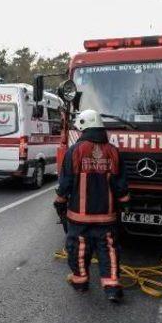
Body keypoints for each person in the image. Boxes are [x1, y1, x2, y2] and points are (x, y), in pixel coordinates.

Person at [54, 109, 129, 303]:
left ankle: (80, 281)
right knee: (109, 249)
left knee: (78, 248)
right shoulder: (113, 152)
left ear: (83, 128)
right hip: (107, 215)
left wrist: (60, 201)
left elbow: (66, 182)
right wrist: (124, 203)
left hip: (80, 216)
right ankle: (112, 286)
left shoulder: (75, 151)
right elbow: (121, 185)